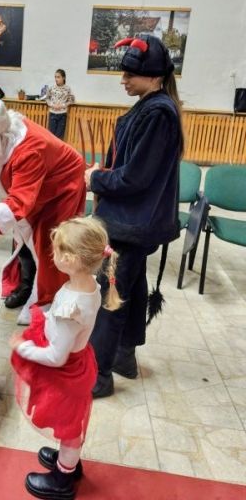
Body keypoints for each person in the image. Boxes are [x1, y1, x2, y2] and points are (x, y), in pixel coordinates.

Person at [85, 34, 183, 398]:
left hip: (131, 222)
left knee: (111, 294)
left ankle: (98, 375)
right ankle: (124, 357)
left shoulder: (158, 113)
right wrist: (104, 175)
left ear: (154, 76)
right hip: (133, 219)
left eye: (130, 74)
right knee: (132, 285)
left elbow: (135, 177)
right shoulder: (151, 106)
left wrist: (95, 179)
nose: (123, 80)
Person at [10, 217, 121, 500]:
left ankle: (63, 478)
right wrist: (49, 319)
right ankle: (67, 461)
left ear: (70, 260)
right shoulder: (89, 285)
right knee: (70, 422)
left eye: (56, 251)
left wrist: (23, 348)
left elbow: (55, 357)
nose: (53, 255)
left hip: (66, 372)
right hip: (80, 362)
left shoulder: (72, 308)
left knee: (70, 429)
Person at [0, 96, 86, 322]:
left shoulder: (29, 150)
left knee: (49, 242)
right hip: (38, 177)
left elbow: (19, 202)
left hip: (62, 184)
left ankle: (46, 301)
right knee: (21, 234)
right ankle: (27, 285)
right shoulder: (2, 131)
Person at [45, 69, 75, 140]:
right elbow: (47, 98)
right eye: (55, 77)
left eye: (58, 77)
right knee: (51, 136)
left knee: (59, 137)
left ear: (63, 78)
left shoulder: (67, 89)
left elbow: (72, 99)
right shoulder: (52, 88)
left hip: (62, 114)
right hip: (52, 114)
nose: (56, 79)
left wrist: (63, 105)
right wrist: (52, 105)